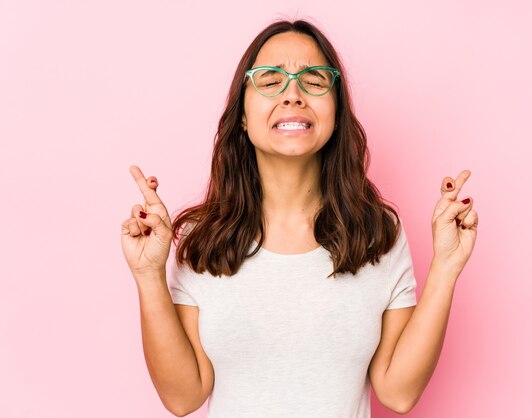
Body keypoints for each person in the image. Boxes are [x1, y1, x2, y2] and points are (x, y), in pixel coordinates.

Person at [121, 19, 478, 418]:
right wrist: (148, 275)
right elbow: (183, 397)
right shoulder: (203, 239)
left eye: (313, 80)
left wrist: (446, 266)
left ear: (337, 110)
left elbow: (397, 392)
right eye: (271, 80)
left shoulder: (377, 234)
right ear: (242, 114)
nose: (293, 94)